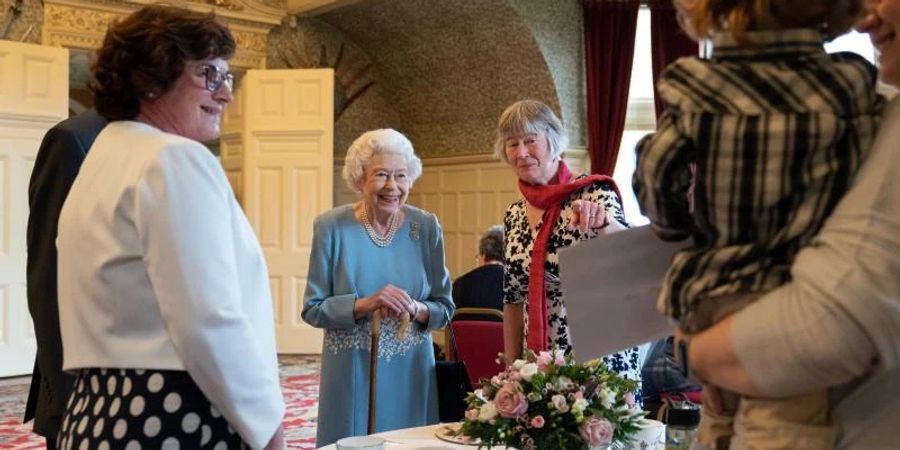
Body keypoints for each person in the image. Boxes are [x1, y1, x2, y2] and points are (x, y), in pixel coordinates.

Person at [632, 0, 880, 448]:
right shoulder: (847, 83)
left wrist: (673, 228)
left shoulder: (695, 84)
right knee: (784, 426)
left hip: (709, 292)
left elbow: (656, 173)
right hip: (788, 295)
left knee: (717, 415)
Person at [55, 5, 284, 450]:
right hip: (175, 412)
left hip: (96, 412)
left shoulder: (101, 160)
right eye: (209, 75)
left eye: (227, 77)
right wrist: (268, 429)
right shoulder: (174, 158)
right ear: (151, 78)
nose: (225, 95)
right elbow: (208, 318)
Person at [301, 128, 454, 447]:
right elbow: (313, 309)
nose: (392, 186)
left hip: (411, 371)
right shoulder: (331, 227)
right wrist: (365, 303)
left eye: (401, 175)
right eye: (381, 174)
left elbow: (445, 308)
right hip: (351, 371)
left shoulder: (425, 227)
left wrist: (415, 308)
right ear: (360, 179)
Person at [497, 100, 641, 382]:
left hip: (599, 357)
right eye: (512, 144)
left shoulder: (593, 193)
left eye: (530, 140)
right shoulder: (514, 214)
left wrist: (603, 223)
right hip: (538, 364)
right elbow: (513, 299)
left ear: (553, 141)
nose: (521, 152)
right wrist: (512, 370)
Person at [24, 109, 106, 448]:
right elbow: (49, 273)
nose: (222, 93)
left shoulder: (174, 145)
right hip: (82, 383)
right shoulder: (75, 139)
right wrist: (68, 393)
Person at [451, 225, 504, 322]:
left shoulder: (459, 284)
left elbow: (451, 323)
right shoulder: (513, 284)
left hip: (466, 337)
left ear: (483, 254)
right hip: (499, 337)